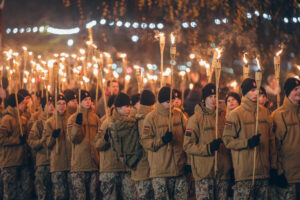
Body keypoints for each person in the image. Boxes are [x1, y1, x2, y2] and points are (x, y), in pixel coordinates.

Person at [223, 78, 277, 200]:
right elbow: (227, 140)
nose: (256, 93)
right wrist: (247, 142)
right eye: (252, 90)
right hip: (244, 174)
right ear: (245, 92)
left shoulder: (265, 113)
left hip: (264, 173)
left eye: (257, 89)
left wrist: (273, 166)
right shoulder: (235, 114)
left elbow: (272, 142)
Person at [184, 83, 232, 200]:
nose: (213, 100)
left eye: (215, 96)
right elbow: (188, 145)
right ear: (204, 99)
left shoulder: (222, 117)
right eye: (210, 97)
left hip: (222, 172)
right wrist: (208, 148)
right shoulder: (195, 119)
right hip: (204, 173)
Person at [141, 86, 188, 200]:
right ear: (161, 102)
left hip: (178, 169)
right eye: (168, 102)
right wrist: (162, 140)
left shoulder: (179, 115)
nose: (172, 104)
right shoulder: (151, 118)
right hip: (160, 171)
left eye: (173, 101)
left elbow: (188, 135)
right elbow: (146, 141)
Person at [95, 92, 136, 200]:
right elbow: (97, 144)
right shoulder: (107, 122)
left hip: (126, 167)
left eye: (130, 106)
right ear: (118, 107)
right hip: (110, 169)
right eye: (126, 106)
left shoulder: (131, 122)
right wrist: (106, 139)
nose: (129, 109)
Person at [271, 77, 300, 200]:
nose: (299, 91)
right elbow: (274, 146)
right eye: (295, 89)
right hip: (289, 176)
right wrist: (278, 171)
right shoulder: (279, 115)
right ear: (288, 92)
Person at [67, 90, 100, 200]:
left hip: (93, 163)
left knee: (93, 195)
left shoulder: (95, 118)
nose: (88, 102)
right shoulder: (72, 118)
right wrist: (77, 125)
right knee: (80, 196)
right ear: (79, 102)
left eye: (89, 100)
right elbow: (73, 139)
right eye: (85, 100)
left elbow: (99, 138)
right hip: (79, 165)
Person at [0, 92, 32, 199]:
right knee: (10, 193)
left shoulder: (22, 118)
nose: (25, 105)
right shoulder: (7, 119)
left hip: (22, 160)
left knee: (25, 191)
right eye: (23, 103)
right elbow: (2, 139)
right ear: (16, 104)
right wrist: (17, 140)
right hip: (10, 161)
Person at [45, 94, 72, 200]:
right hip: (57, 164)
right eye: (59, 104)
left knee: (73, 194)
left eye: (64, 103)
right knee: (60, 195)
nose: (62, 106)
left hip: (71, 163)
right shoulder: (50, 122)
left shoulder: (71, 119)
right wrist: (53, 137)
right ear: (55, 106)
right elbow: (47, 143)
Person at [28, 94, 54, 200]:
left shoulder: (57, 122)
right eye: (49, 104)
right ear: (43, 107)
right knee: (43, 194)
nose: (52, 106)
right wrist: (42, 141)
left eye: (53, 104)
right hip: (43, 162)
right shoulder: (38, 124)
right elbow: (31, 141)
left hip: (55, 163)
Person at [131, 90, 156, 199]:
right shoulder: (145, 118)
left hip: (142, 167)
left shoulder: (140, 115)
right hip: (144, 166)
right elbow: (146, 143)